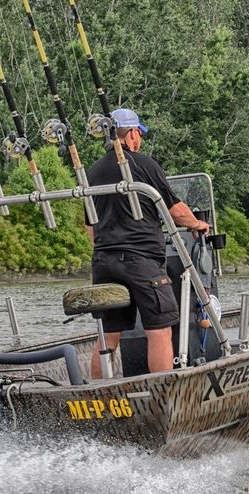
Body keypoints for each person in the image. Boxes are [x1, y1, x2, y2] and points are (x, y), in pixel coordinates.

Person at [85, 108, 209, 379]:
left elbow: (90, 227)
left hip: (104, 261)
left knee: (109, 334)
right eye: (138, 133)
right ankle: (162, 393)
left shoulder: (92, 172)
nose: (139, 139)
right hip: (142, 261)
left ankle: (99, 394)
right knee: (159, 328)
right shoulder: (144, 164)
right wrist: (197, 224)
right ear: (131, 134)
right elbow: (175, 210)